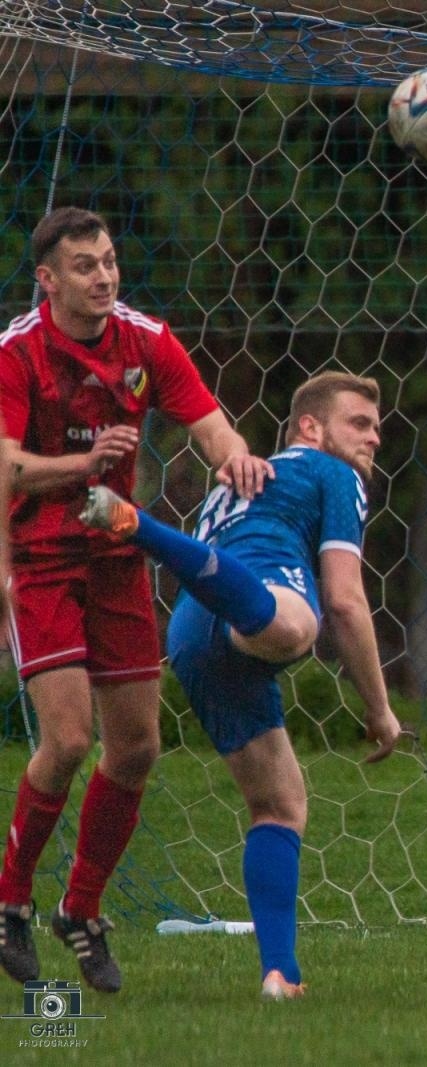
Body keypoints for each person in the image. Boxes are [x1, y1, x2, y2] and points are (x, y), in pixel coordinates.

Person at [0, 207, 271, 994]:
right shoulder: (18, 351)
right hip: (43, 558)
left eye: (110, 261)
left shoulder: (145, 340)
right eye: (85, 265)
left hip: (117, 556)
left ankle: (80, 908)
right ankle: (10, 898)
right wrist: (80, 468)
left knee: (139, 746)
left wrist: (235, 458)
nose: (105, 276)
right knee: (67, 739)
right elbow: (7, 465)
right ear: (48, 279)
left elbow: (208, 422)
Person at [80, 370, 407, 999]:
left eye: (377, 428)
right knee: (300, 625)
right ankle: (137, 525)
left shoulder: (243, 475)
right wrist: (380, 709)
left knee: (282, 803)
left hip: (191, 632)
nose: (373, 438)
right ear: (311, 427)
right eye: (359, 423)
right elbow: (345, 599)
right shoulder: (333, 474)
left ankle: (281, 974)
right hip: (257, 600)